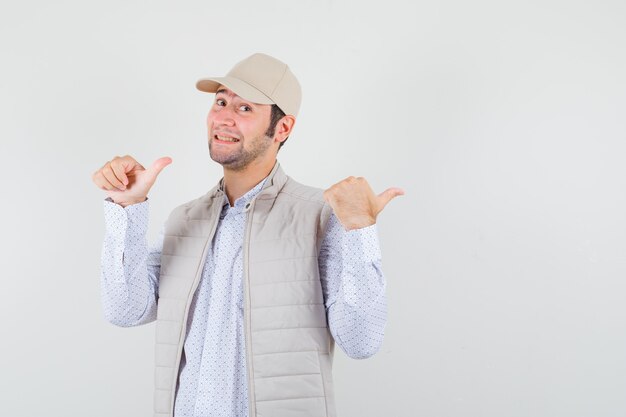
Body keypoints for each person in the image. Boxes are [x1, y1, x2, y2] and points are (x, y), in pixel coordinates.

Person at [92, 53, 403, 417]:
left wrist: (359, 230)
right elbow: (126, 310)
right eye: (221, 102)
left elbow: (361, 340)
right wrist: (127, 208)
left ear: (283, 128)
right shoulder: (184, 220)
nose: (224, 116)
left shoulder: (320, 216)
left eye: (244, 108)